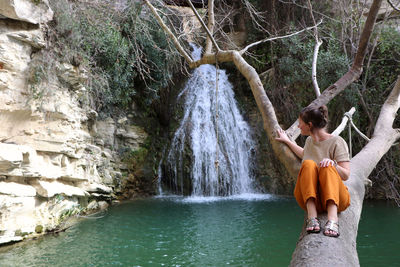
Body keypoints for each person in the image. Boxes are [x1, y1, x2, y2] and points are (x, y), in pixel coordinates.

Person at [275, 105, 350, 237]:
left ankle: (333, 220)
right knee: (309, 164)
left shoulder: (337, 142)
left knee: (327, 166)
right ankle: (312, 217)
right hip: (314, 199)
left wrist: (334, 165)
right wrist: (287, 140)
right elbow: (305, 154)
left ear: (309, 125)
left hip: (336, 199)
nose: (298, 127)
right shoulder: (310, 141)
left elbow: (346, 175)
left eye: (300, 124)